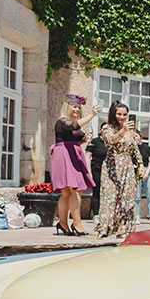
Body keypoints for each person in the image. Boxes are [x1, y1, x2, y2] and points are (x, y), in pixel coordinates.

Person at [51, 94, 101, 236]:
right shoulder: (62, 121)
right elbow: (73, 126)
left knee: (70, 191)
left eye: (79, 107)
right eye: (74, 106)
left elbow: (74, 135)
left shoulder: (74, 122)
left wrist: (83, 141)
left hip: (74, 153)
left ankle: (63, 223)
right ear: (67, 107)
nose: (77, 109)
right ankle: (77, 223)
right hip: (64, 155)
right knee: (73, 190)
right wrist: (92, 115)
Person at [96, 101, 143, 238]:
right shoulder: (107, 128)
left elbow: (135, 149)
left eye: (124, 114)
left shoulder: (130, 131)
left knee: (127, 198)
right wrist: (123, 131)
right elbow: (111, 141)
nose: (122, 117)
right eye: (119, 114)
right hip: (113, 165)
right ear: (113, 114)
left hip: (127, 166)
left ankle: (124, 230)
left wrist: (140, 165)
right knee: (109, 198)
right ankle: (105, 229)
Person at [133, 131, 150, 225]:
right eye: (133, 136)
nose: (135, 138)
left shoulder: (147, 148)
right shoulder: (131, 148)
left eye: (136, 136)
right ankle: (136, 216)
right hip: (135, 171)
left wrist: (147, 173)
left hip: (146, 171)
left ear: (140, 136)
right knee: (136, 196)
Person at [85, 132, 106, 219]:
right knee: (96, 191)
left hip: (108, 170)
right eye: (104, 129)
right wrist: (88, 172)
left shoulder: (111, 142)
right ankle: (96, 214)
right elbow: (87, 156)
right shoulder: (94, 141)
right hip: (97, 169)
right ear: (101, 130)